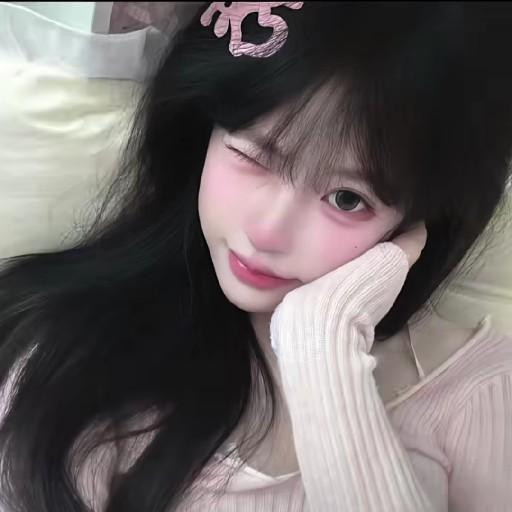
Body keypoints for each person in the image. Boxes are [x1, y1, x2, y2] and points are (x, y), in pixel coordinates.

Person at [0, 2, 511, 511]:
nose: (268, 232)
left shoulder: (481, 388)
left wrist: (323, 345)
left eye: (347, 199)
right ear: (202, 132)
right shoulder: (77, 359)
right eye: (253, 155)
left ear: (418, 221)